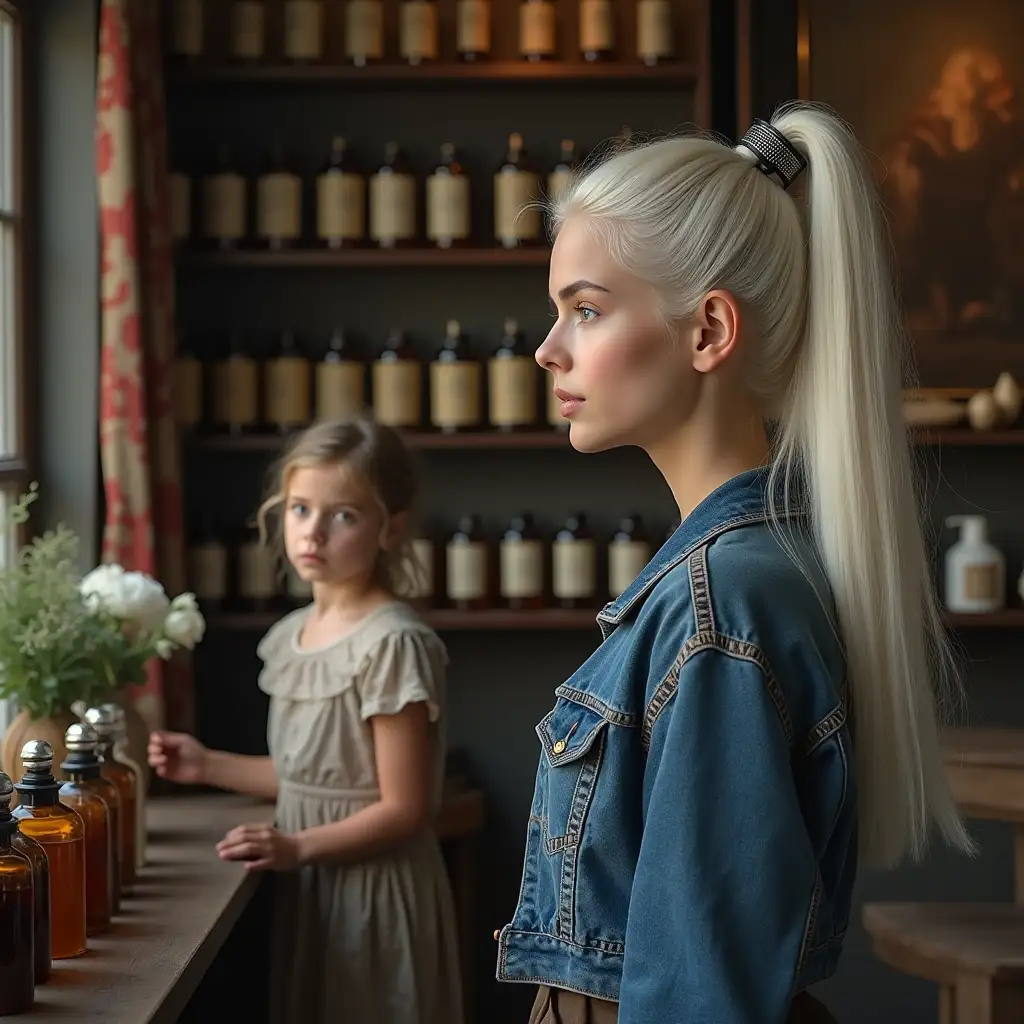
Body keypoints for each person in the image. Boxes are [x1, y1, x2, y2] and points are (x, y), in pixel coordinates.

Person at [494, 105, 975, 1024]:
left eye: (586, 310)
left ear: (709, 330)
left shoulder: (723, 607)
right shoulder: (737, 579)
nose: (547, 348)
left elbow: (695, 999)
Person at [148, 415, 463, 1024]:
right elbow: (313, 776)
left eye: (343, 515)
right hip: (314, 884)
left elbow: (406, 808)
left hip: (374, 893)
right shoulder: (292, 635)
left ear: (390, 529)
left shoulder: (392, 643)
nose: (312, 532)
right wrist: (206, 764)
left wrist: (297, 846)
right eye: (299, 509)